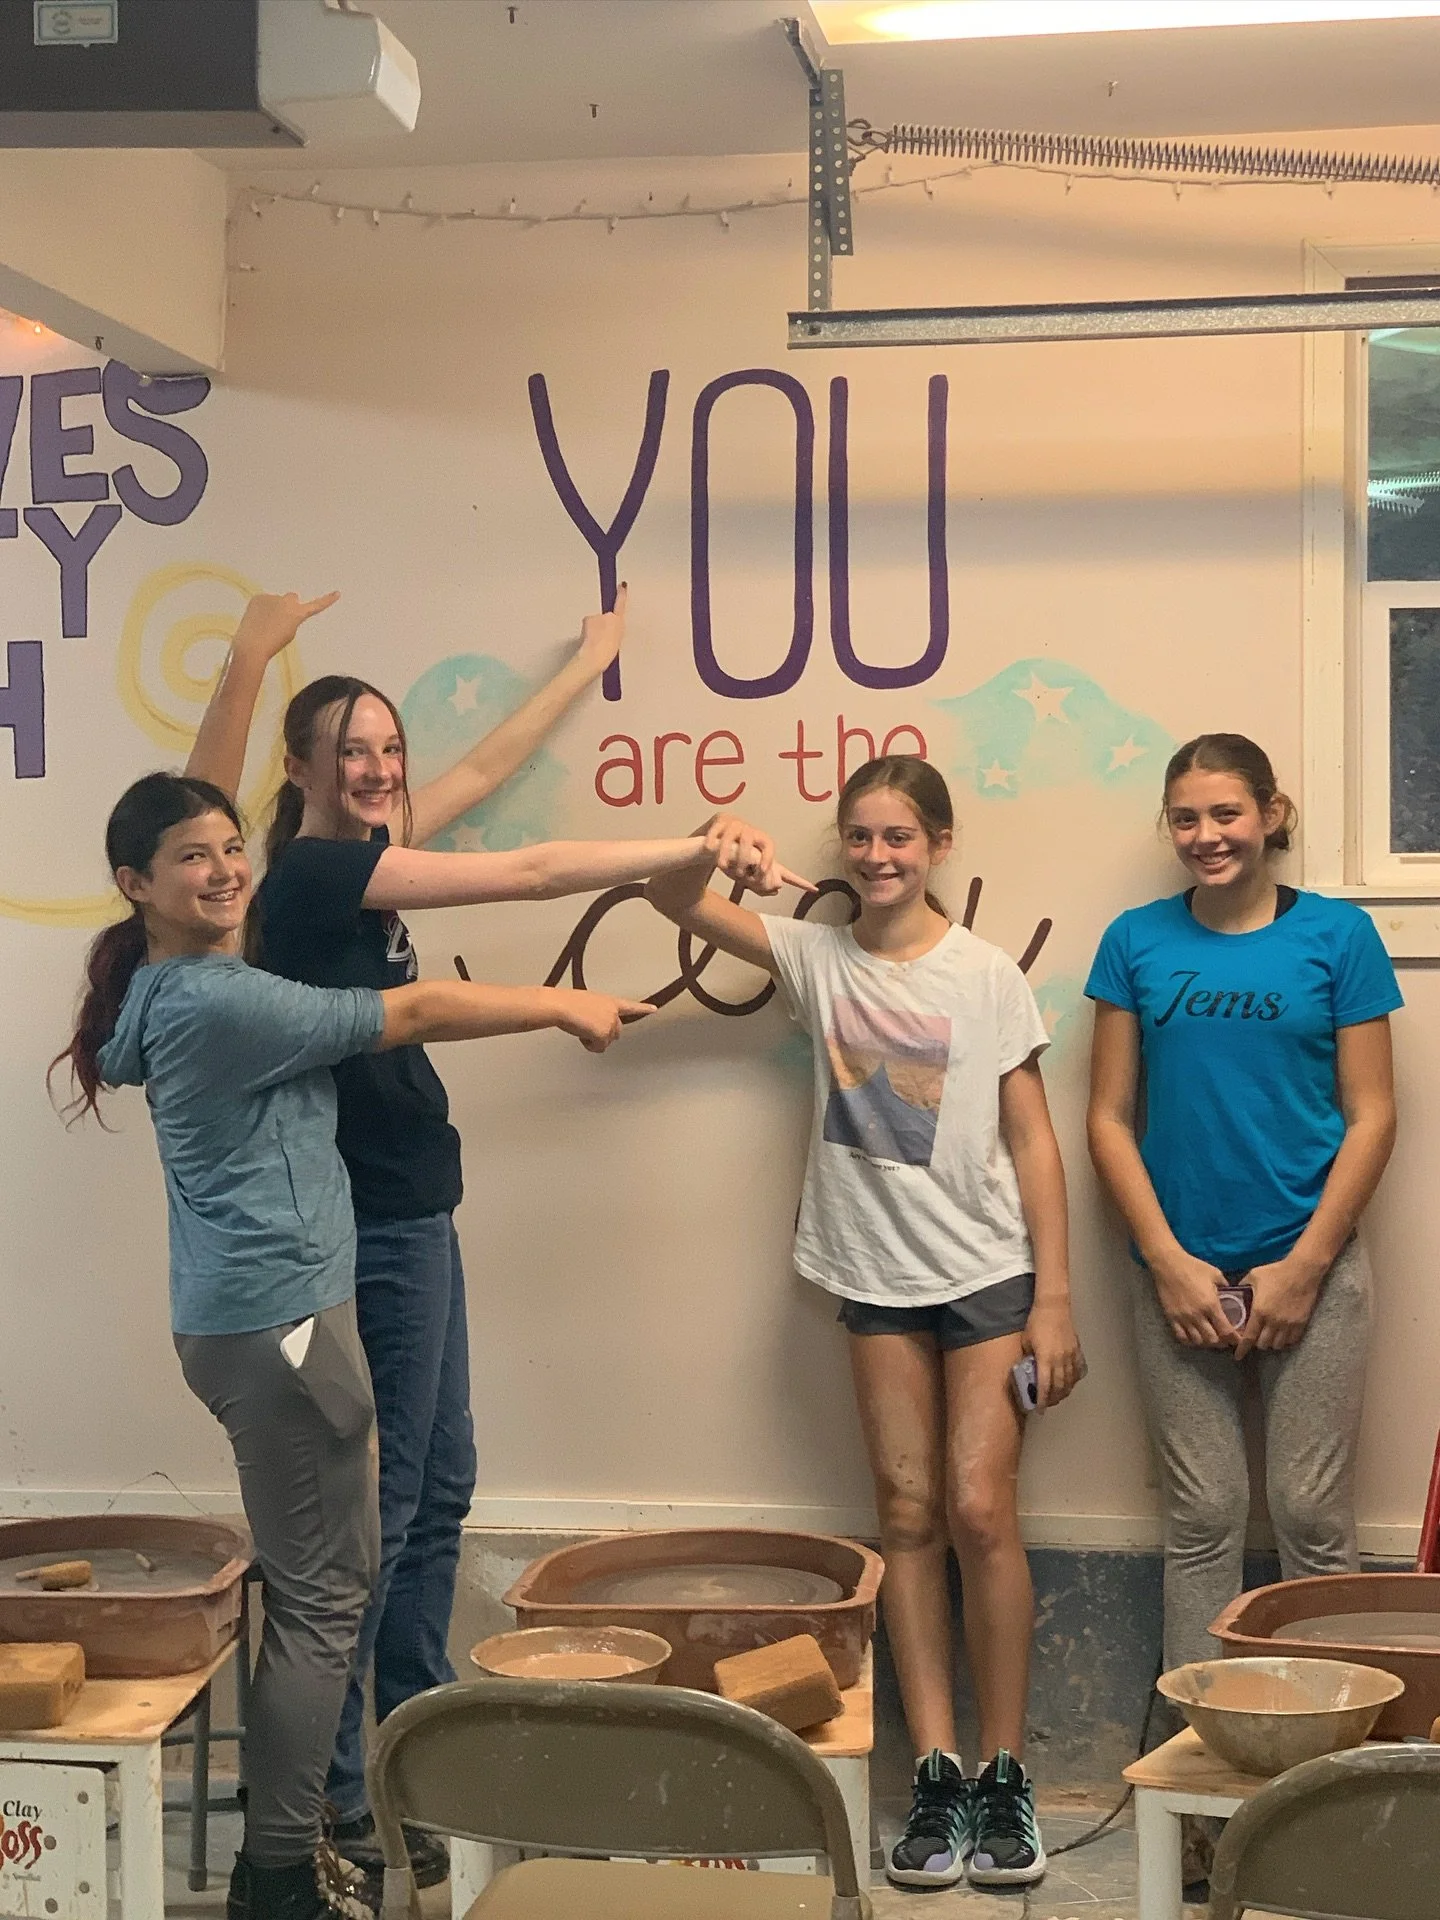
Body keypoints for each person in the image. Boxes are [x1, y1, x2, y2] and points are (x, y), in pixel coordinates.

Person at [184, 585, 784, 1892]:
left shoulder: (360, 845)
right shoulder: (316, 872)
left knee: (441, 1483)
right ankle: (350, 1801)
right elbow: (521, 870)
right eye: (353, 749)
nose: (383, 768)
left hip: (413, 1203)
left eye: (388, 750)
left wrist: (594, 664)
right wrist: (651, 875)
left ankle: (410, 1743)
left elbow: (489, 777)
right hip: (364, 1222)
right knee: (382, 1515)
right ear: (301, 771)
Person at [51, 771, 652, 1920]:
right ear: (136, 886)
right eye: (191, 857)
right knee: (328, 1600)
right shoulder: (219, 1004)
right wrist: (566, 1003)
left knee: (323, 1585)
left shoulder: (154, 993)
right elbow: (409, 1014)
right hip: (281, 1328)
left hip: (246, 1319)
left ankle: (283, 1855)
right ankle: (280, 1871)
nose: (225, 869)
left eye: (232, 847)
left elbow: (138, 1031)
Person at [645, 755, 1085, 1891]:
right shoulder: (816, 955)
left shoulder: (985, 976)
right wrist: (717, 843)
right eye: (859, 837)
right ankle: (936, 1769)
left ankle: (1006, 1775)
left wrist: (1053, 1299)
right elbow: (671, 897)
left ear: (937, 843)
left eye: (899, 837)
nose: (877, 856)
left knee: (983, 1510)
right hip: (872, 1275)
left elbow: (1034, 1141)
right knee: (906, 1509)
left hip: (986, 1271)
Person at [1085, 733, 1400, 1890]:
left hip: (1311, 1270)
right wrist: (1165, 1259)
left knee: (1315, 1520)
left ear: (1272, 812)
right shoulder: (1135, 944)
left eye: (1226, 813)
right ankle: (1202, 1803)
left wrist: (1307, 1266)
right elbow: (1109, 1119)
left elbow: (1373, 1116)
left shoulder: (1340, 938)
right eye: (1185, 817)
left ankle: (1332, 1798)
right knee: (1205, 1521)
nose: (1208, 835)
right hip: (1179, 1274)